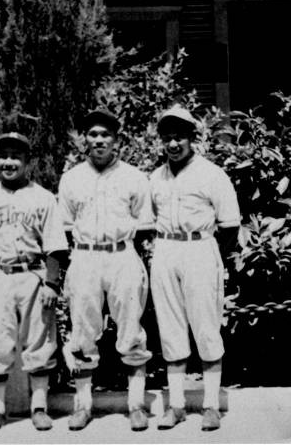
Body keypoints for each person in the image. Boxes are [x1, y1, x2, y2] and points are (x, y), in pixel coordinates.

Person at [58, 108, 153, 432]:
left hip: (122, 255)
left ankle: (136, 405)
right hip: (85, 257)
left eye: (105, 135)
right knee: (83, 332)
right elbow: (66, 227)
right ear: (85, 139)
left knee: (131, 330)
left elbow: (144, 227)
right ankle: (83, 406)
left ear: (116, 140)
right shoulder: (71, 179)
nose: (99, 140)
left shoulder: (134, 177)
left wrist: (131, 263)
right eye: (93, 134)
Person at [0, 132, 68, 434]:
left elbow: (55, 245)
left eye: (16, 156)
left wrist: (51, 284)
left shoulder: (43, 197)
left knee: (39, 342)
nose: (8, 162)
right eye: (3, 156)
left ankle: (39, 407)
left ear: (28, 162)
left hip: (33, 274)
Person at [150, 104, 241, 431]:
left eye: (180, 137)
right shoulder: (155, 177)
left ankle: (211, 406)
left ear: (192, 138)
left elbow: (230, 226)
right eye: (167, 138)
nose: (173, 144)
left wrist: (211, 258)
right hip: (165, 249)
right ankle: (175, 405)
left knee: (205, 327)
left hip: (200, 249)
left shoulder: (211, 174)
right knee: (170, 329)